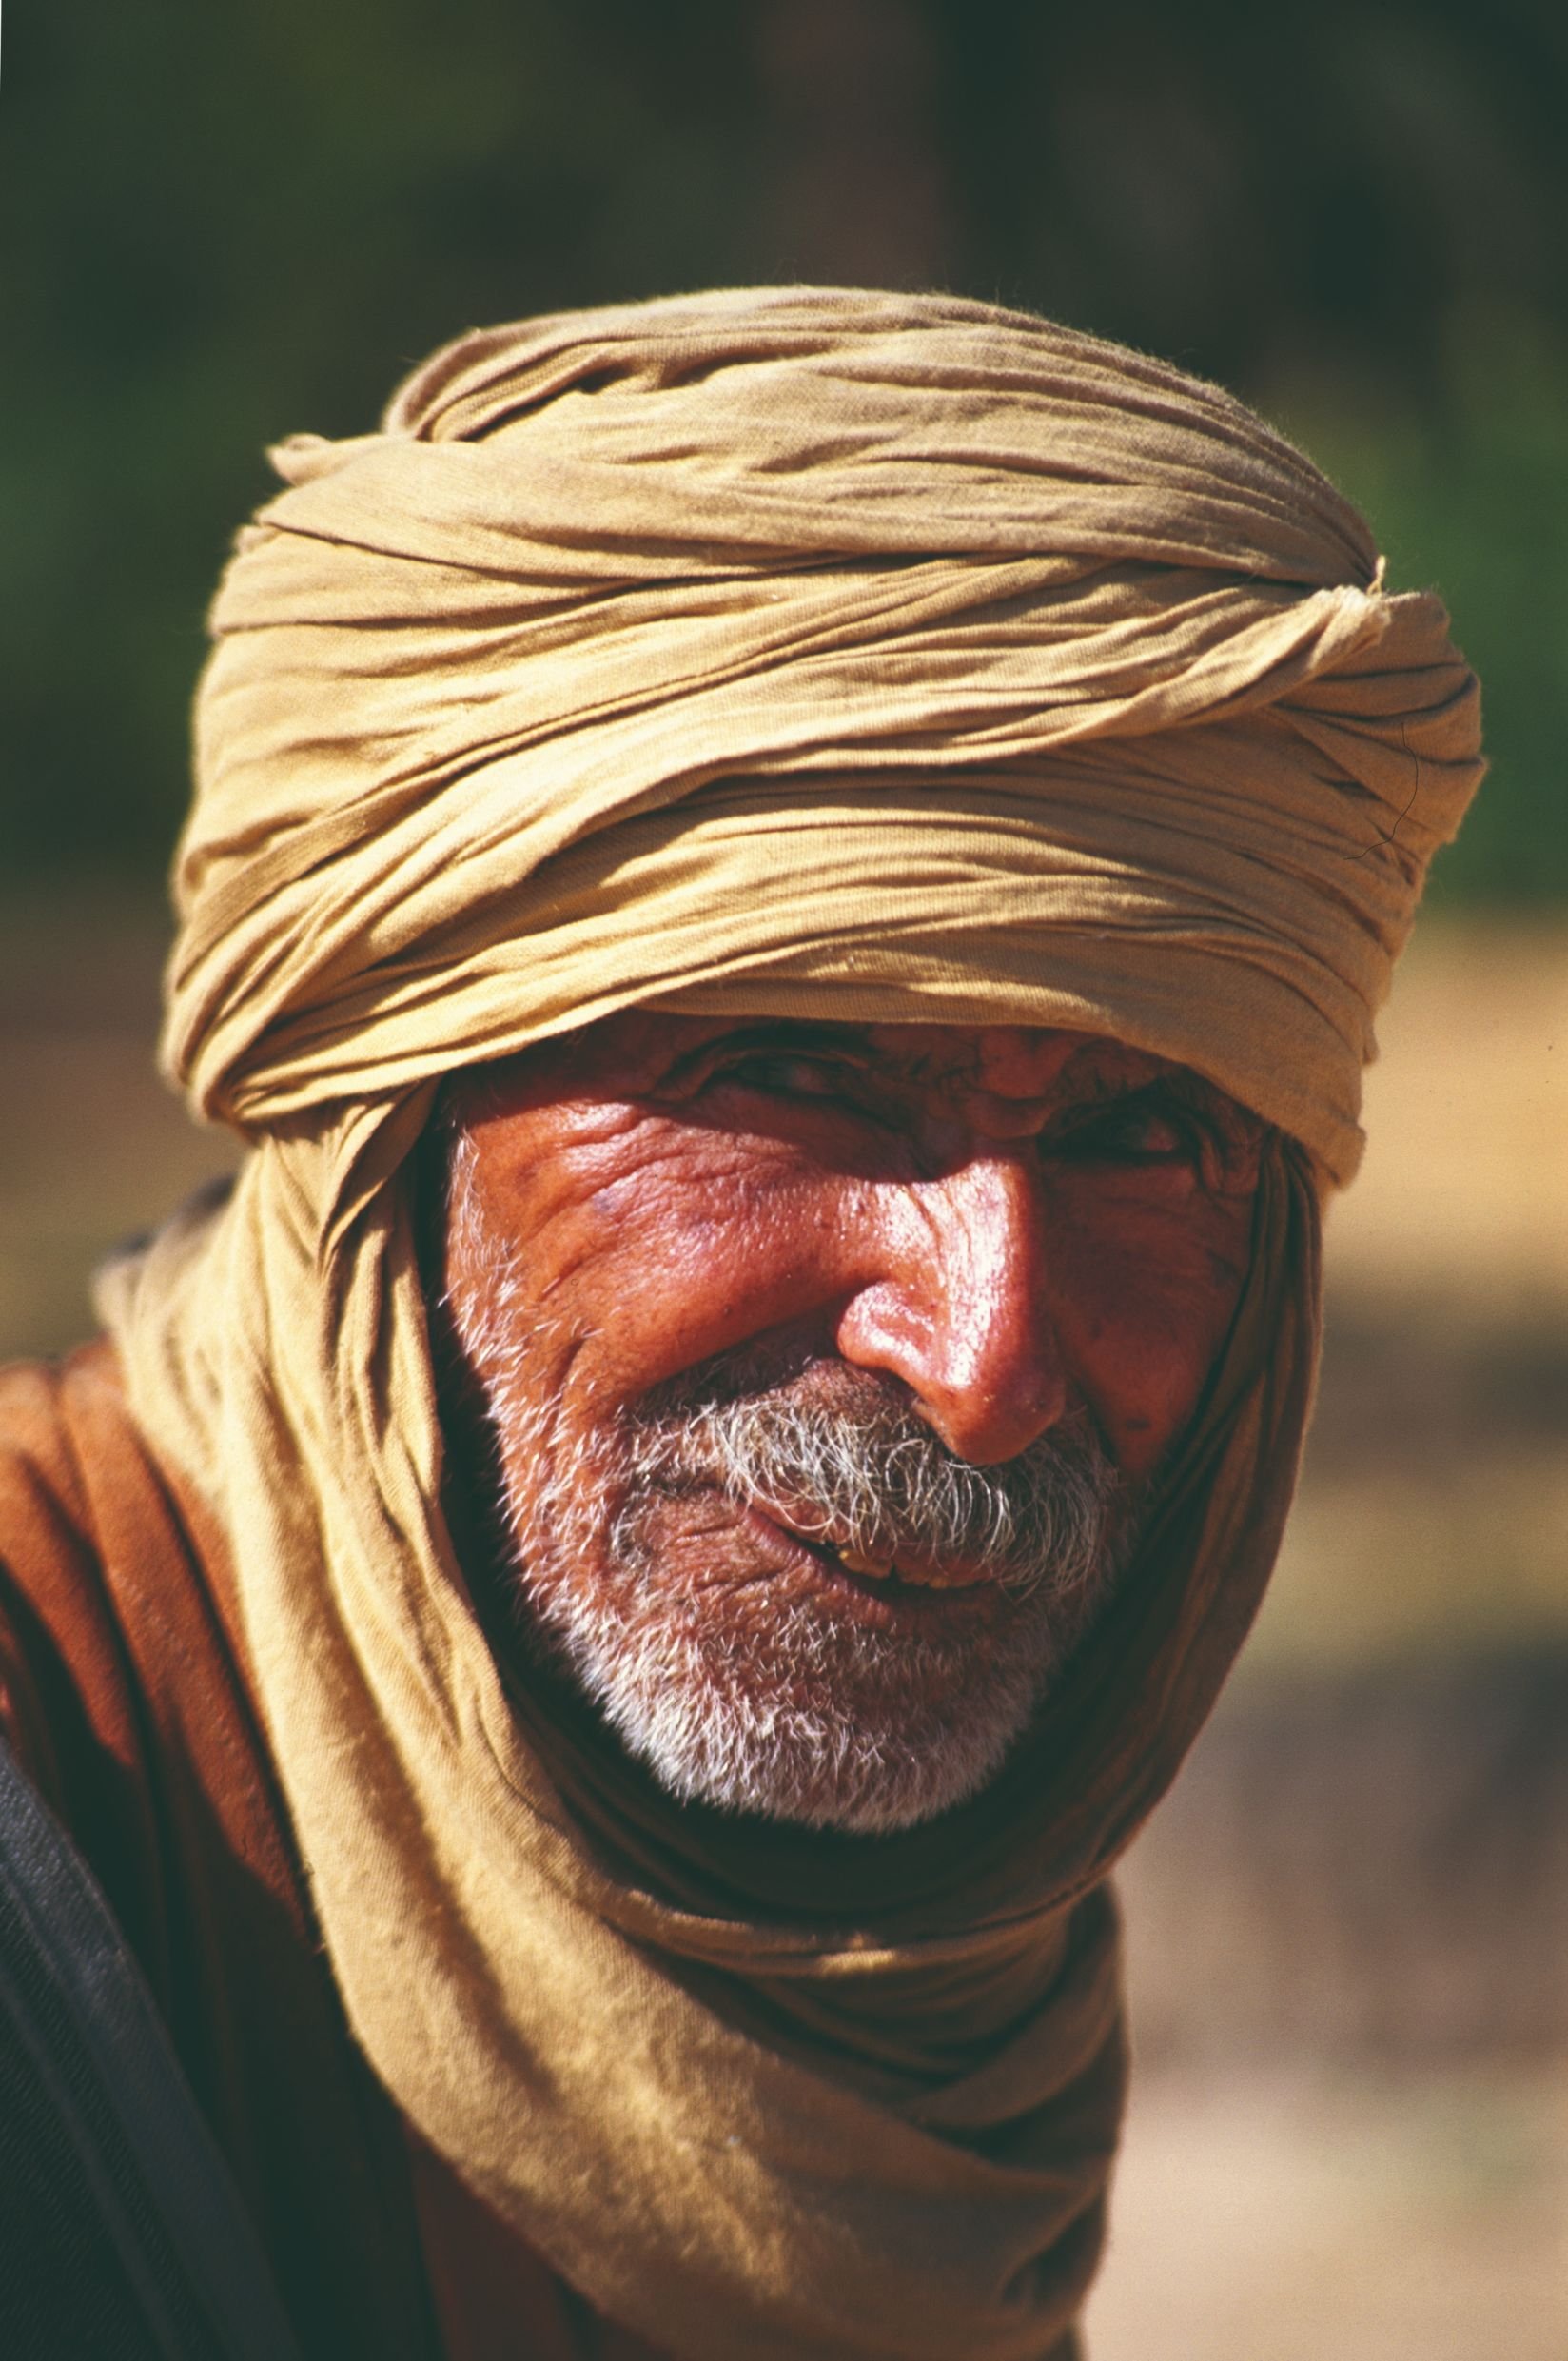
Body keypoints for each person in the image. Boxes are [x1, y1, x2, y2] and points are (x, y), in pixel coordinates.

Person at [0, 287, 1482, 2360]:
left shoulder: (947, 2039)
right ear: (395, 1112)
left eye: (1144, 1128)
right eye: (796, 1073)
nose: (980, 1364)